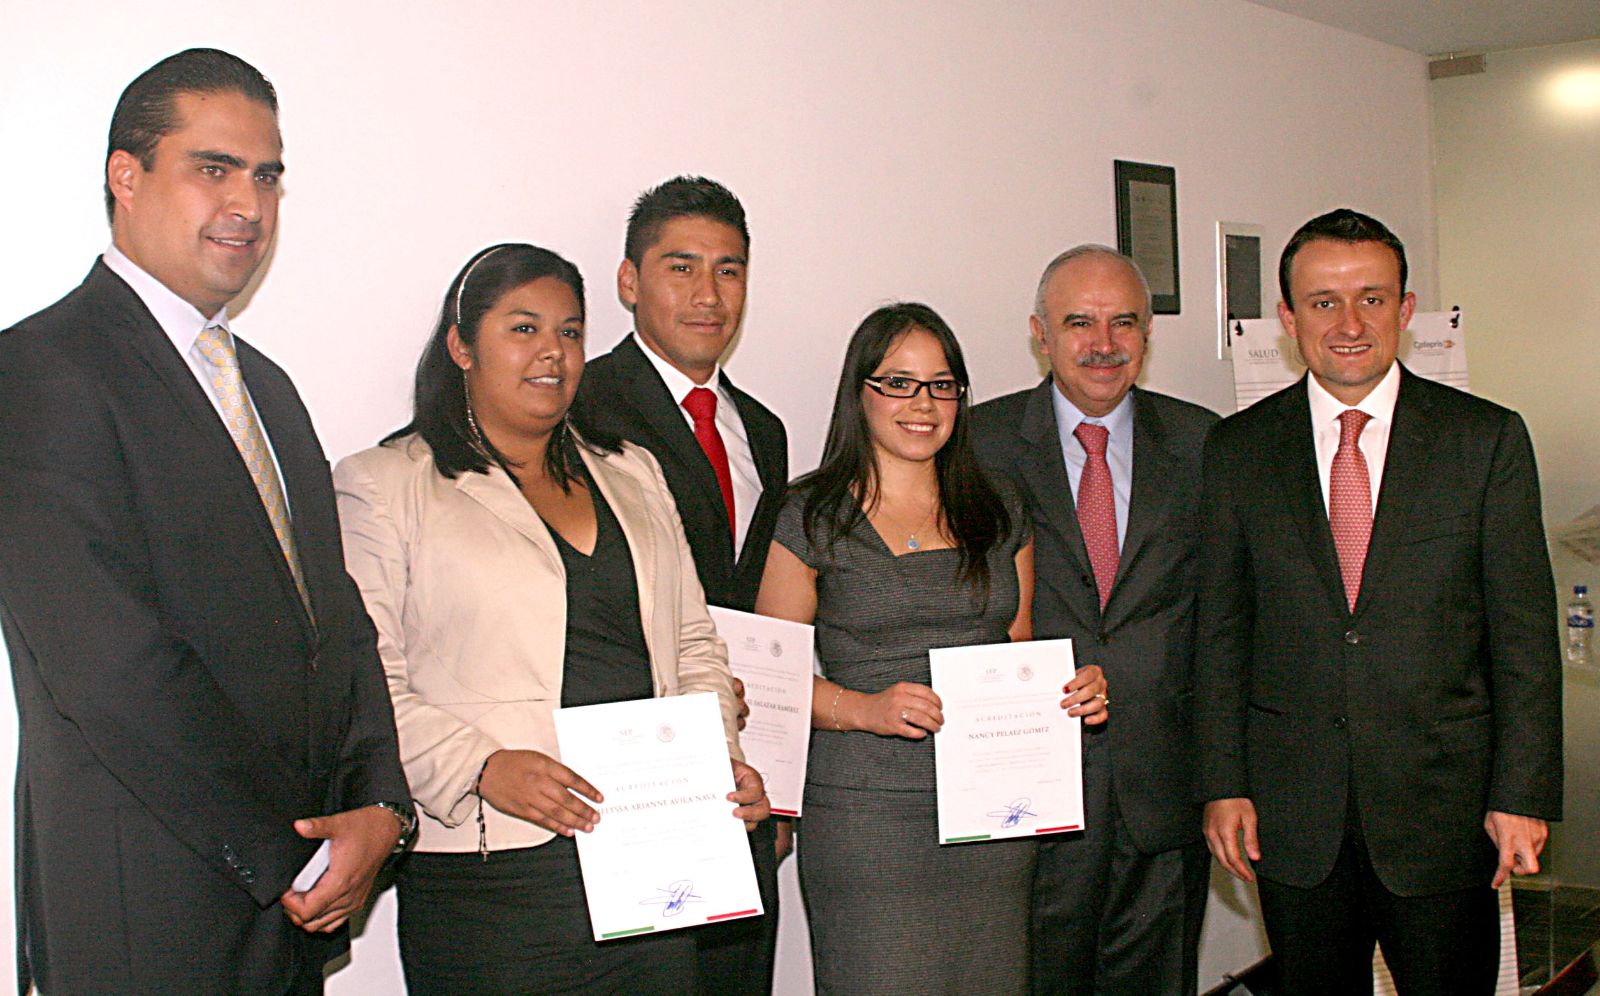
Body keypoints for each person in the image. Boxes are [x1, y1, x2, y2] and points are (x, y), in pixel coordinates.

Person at [0, 49, 411, 994]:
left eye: (267, 175)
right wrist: (292, 854)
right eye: (213, 168)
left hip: (291, 917)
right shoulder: (42, 370)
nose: (249, 204)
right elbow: (111, 667)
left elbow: (335, 625)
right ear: (126, 175)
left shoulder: (267, 388)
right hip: (146, 913)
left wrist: (380, 804)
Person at [333, 244, 769, 994]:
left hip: (650, 860)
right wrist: (482, 766)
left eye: (570, 333)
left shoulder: (632, 472)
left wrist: (714, 761)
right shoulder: (384, 485)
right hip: (491, 875)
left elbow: (694, 642)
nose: (553, 354)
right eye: (523, 329)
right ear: (461, 344)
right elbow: (365, 683)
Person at [1195, 208, 1563, 995]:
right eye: (1324, 301)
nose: (1350, 323)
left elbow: (1522, 636)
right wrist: (1223, 782)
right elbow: (1222, 633)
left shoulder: (1484, 440)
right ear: (1288, 318)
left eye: (1372, 297)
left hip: (1445, 812)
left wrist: (1522, 794)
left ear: (1406, 307)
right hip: (1294, 819)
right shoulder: (1238, 450)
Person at [756, 302, 1109, 993]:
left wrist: (1070, 692)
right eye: (899, 382)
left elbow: (1017, 651)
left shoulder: (999, 506)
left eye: (942, 385)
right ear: (860, 392)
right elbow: (769, 684)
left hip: (993, 814)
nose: (923, 403)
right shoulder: (813, 513)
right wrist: (866, 709)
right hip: (866, 819)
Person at [971, 245, 1217, 995]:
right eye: (1079, 322)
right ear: (1040, 334)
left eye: (1124, 322)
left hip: (1168, 790)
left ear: (1147, 336)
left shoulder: (1208, 443)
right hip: (1028, 786)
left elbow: (1228, 615)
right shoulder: (974, 445)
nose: (1104, 343)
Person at [571, 175, 786, 991]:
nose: (709, 294)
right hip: (630, 781)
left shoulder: (762, 428)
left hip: (738, 787)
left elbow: (762, 612)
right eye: (681, 267)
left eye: (729, 270)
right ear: (629, 283)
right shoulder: (580, 405)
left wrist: (773, 774)